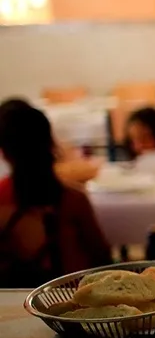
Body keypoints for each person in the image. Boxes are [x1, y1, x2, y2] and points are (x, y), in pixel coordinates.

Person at [0, 99, 111, 287]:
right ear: (50, 144)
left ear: (4, 152)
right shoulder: (74, 200)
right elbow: (102, 258)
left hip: (12, 306)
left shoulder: (3, 199)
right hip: (69, 304)